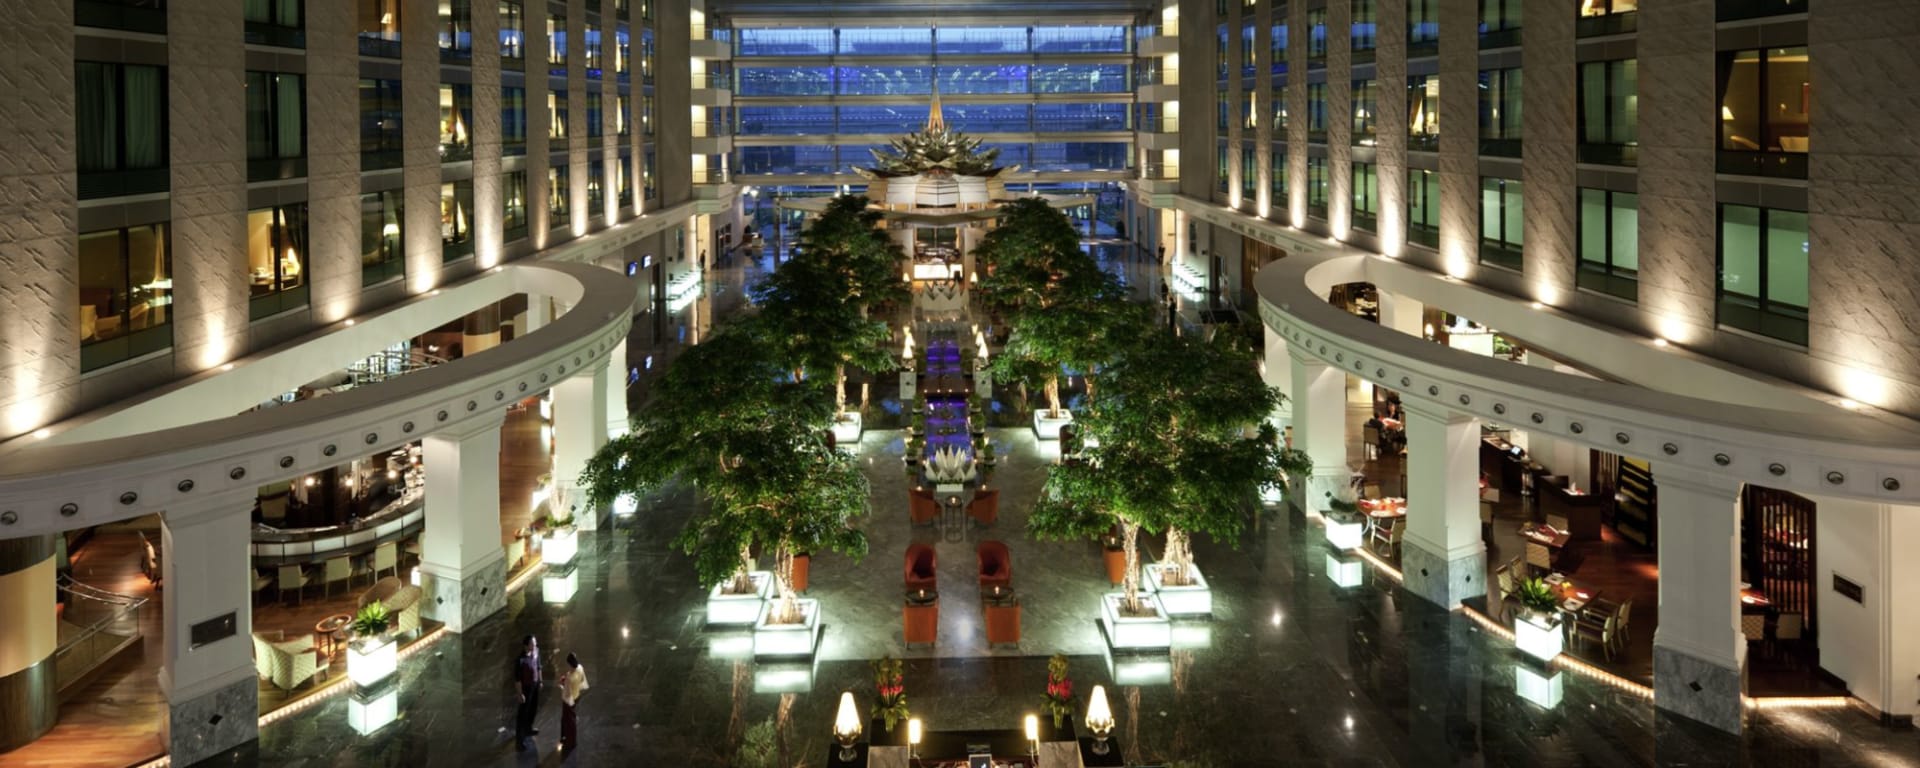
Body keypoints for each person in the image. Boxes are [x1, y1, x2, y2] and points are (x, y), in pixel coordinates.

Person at [514, 635, 542, 750]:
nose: (535, 645)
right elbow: (517, 679)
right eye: (532, 644)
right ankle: (519, 741)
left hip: (534, 685)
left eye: (535, 643)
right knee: (522, 714)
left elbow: (539, 667)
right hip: (525, 688)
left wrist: (540, 681)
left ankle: (528, 728)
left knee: (533, 709)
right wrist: (520, 694)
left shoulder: (536, 652)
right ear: (526, 646)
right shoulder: (520, 660)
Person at [559, 652, 589, 753]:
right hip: (577, 696)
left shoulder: (569, 677)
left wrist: (562, 684)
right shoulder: (580, 668)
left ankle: (570, 741)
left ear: (569, 664)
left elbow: (566, 693)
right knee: (569, 719)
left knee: (569, 721)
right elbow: (581, 681)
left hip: (569, 701)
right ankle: (568, 738)